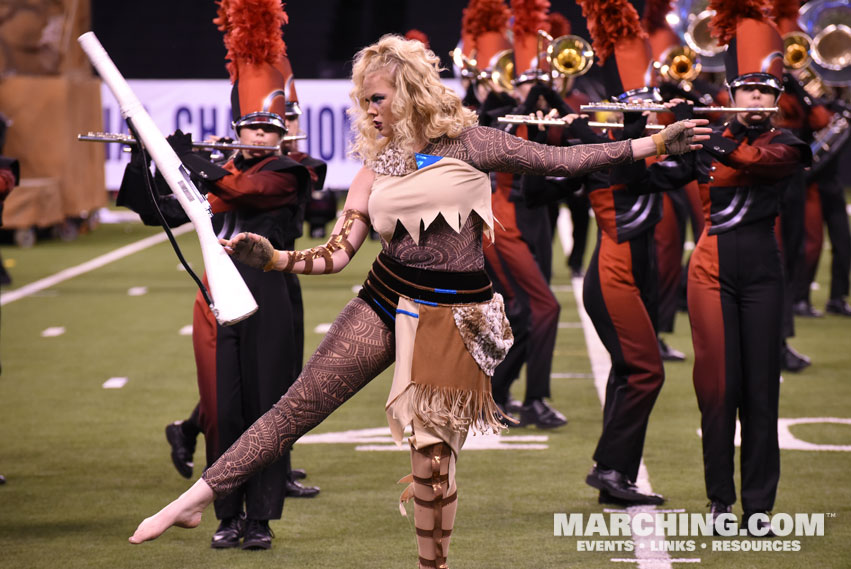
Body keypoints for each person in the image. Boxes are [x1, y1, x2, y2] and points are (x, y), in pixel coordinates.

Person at [128, 34, 707, 567]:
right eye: (365, 101)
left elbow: (565, 161)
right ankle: (197, 496)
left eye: (377, 97)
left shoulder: (473, 143)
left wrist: (654, 141)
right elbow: (335, 254)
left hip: (455, 315)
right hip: (384, 296)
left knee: (430, 465)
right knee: (294, 407)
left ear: (408, 90)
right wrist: (275, 260)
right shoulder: (374, 166)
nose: (370, 110)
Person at [119, 0, 319, 550]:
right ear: (238, 129)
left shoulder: (293, 170)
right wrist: (152, 161)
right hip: (217, 292)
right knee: (224, 408)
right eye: (250, 129)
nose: (257, 136)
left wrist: (198, 166)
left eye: (267, 129)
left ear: (279, 135)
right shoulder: (220, 171)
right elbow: (161, 208)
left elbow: (250, 192)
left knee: (267, 407)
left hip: (268, 291)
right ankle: (227, 515)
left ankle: (261, 520)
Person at [625, 2, 811, 534]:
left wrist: (707, 128)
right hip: (709, 272)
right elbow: (646, 182)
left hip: (762, 277)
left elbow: (754, 163)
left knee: (760, 392)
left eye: (764, 92)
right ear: (731, 94)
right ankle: (719, 499)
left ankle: (758, 506)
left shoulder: (788, 145)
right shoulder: (705, 145)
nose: (755, 99)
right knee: (717, 388)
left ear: (776, 100)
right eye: (746, 90)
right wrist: (648, 128)